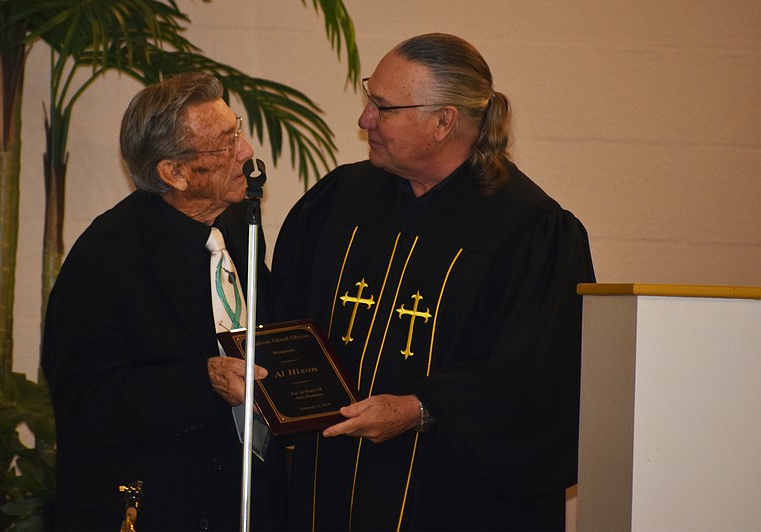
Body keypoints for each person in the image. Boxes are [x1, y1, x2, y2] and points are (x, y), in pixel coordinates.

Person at [270, 33, 596, 531]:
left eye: (383, 107)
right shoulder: (339, 201)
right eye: (368, 99)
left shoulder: (529, 230)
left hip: (453, 498)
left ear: (444, 121)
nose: (364, 120)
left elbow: (539, 385)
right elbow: (285, 322)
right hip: (328, 490)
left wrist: (420, 409)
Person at [42, 72, 285, 531]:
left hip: (235, 500)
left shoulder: (238, 225)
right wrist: (202, 382)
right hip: (150, 507)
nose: (246, 150)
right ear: (173, 173)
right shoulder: (107, 253)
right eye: (226, 142)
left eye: (237, 129)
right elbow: (83, 400)